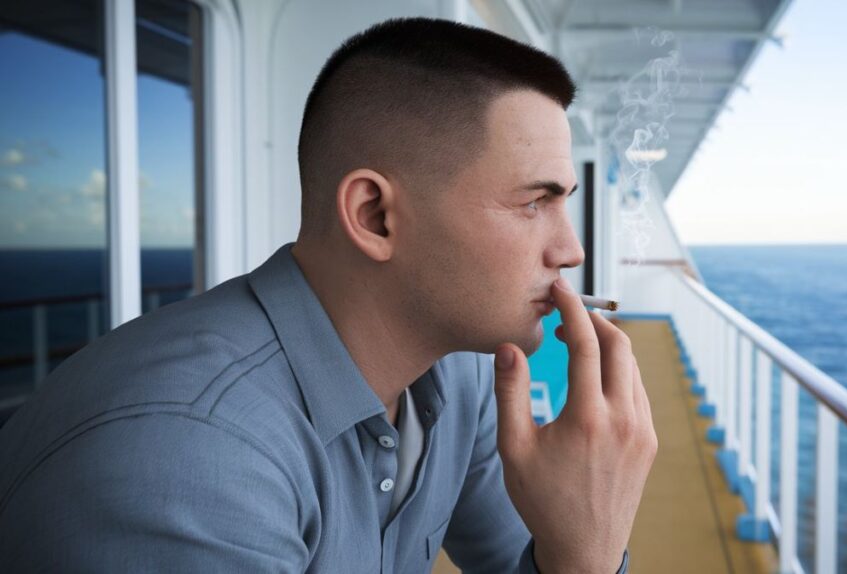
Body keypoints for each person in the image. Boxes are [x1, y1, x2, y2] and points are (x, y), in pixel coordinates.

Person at [0, 17, 657, 573]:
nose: (571, 249)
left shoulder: (458, 375)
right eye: (533, 202)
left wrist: (577, 541)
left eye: (563, 202)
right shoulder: (187, 463)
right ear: (375, 216)